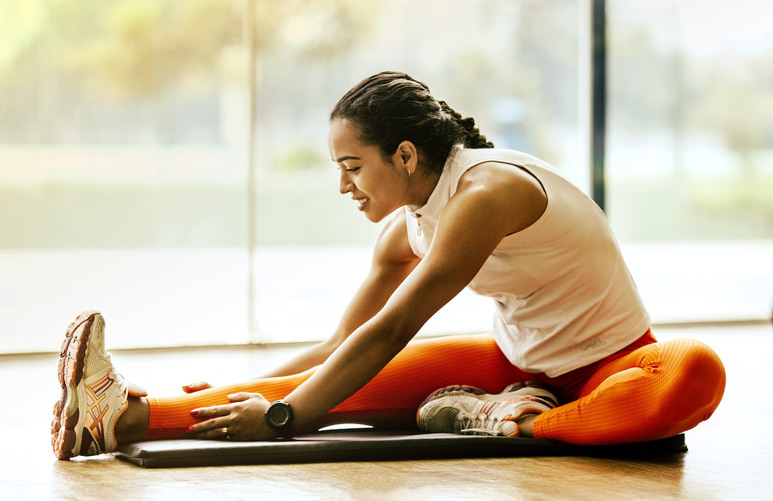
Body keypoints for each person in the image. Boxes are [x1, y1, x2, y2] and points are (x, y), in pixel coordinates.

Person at [51, 71, 726, 460]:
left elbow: (396, 325)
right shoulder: (405, 228)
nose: (344, 186)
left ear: (404, 155)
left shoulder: (486, 194)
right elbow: (341, 348)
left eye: (352, 166)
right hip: (516, 367)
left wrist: (288, 416)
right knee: (318, 383)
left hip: (614, 366)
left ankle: (509, 420)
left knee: (696, 370)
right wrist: (251, 388)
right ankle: (115, 415)